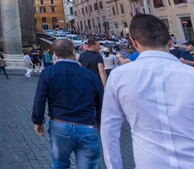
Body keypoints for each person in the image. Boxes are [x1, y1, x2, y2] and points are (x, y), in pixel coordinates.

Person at [101, 14, 194, 168]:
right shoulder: (190, 75)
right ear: (170, 41)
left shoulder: (119, 75)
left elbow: (109, 129)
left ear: (134, 43)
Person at [32, 39, 104, 169]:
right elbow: (100, 101)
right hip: (87, 126)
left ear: (54, 54)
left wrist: (38, 121)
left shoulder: (48, 72)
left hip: (60, 125)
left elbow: (40, 99)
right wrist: (99, 122)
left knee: (60, 165)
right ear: (73, 52)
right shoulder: (90, 75)